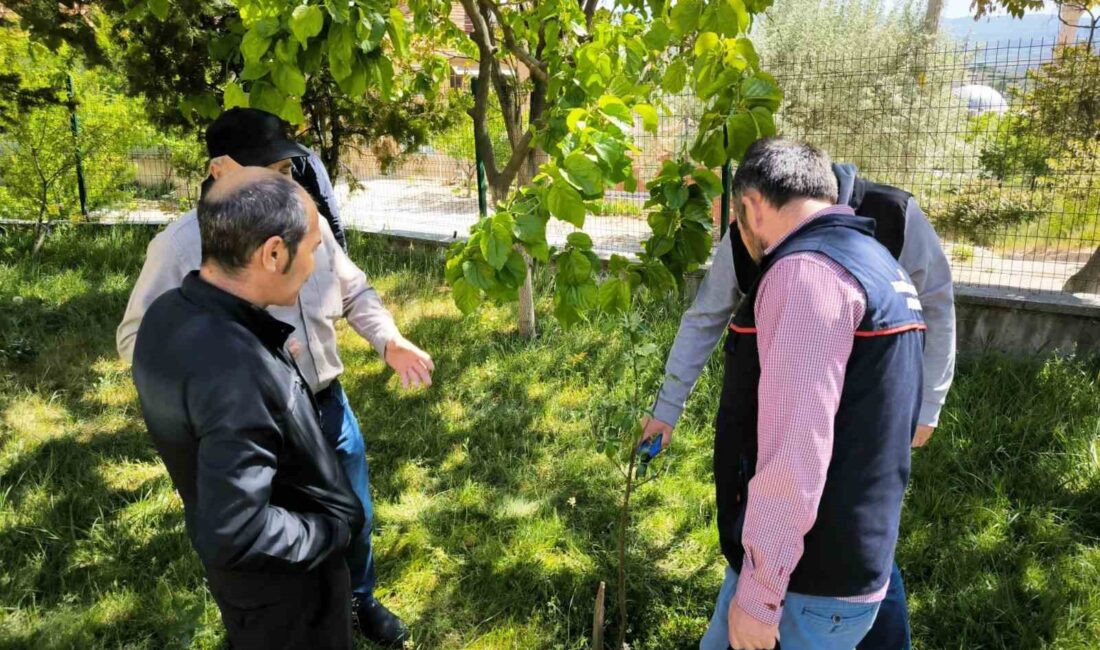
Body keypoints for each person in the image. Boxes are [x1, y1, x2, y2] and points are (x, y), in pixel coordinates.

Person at [117, 109, 431, 646]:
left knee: (353, 512)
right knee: (294, 547)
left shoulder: (300, 219)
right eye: (275, 172)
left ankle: (358, 600)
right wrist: (229, 376)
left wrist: (389, 339)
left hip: (325, 403)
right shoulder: (177, 249)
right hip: (260, 420)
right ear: (221, 170)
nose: (287, 184)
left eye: (288, 171)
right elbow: (141, 339)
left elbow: (353, 289)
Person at [643, 154, 955, 650]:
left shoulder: (805, 275)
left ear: (751, 205)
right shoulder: (876, 261)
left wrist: (761, 597)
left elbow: (795, 455)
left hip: (806, 578)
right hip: (843, 554)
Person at [132, 167, 364, 649]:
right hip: (291, 597)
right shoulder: (234, 372)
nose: (317, 259)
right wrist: (331, 530)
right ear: (274, 253)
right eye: (314, 248)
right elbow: (238, 530)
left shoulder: (170, 313)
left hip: (248, 593)